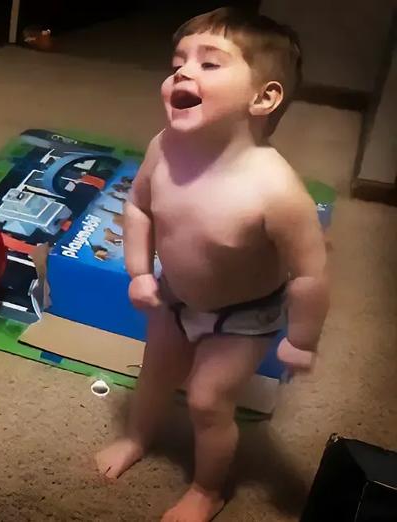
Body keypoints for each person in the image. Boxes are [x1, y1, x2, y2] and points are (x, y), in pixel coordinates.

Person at [94, 7, 328, 522]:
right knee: (154, 375)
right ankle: (136, 436)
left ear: (263, 97)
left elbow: (310, 275)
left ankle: (208, 489)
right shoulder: (163, 148)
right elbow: (138, 206)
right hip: (174, 293)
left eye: (210, 64)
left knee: (206, 402)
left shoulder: (278, 191)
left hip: (243, 317)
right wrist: (138, 271)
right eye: (178, 61)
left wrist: (303, 339)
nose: (182, 72)